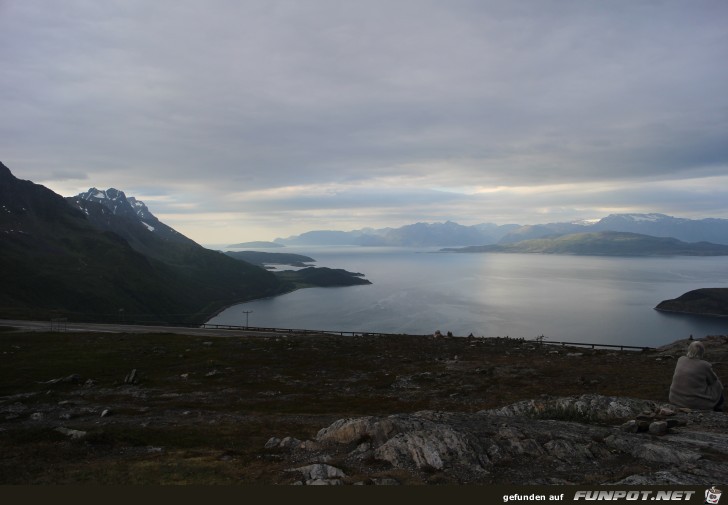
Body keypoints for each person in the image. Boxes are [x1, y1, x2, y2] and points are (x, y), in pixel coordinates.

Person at [669, 340, 724, 411]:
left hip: (674, 399)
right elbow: (713, 380)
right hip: (692, 403)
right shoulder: (704, 365)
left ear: (689, 349)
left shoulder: (680, 359)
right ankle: (718, 410)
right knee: (717, 384)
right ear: (702, 351)